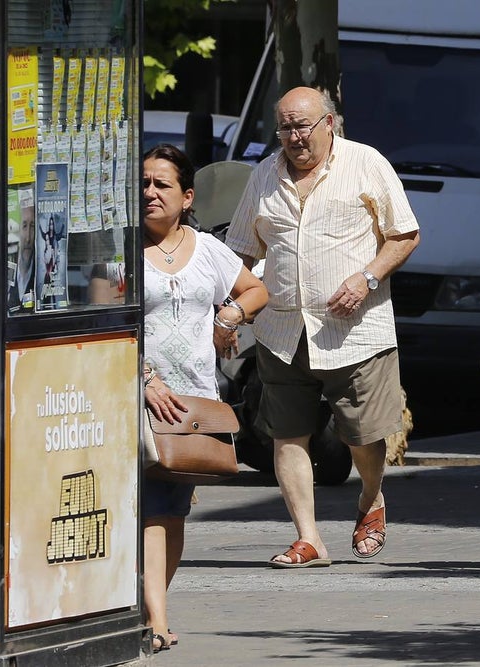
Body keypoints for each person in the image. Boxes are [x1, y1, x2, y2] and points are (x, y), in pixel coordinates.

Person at [225, 86, 421, 568]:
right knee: (286, 434)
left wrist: (367, 277)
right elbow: (242, 251)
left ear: (329, 123)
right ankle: (308, 538)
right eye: (285, 127)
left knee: (362, 434)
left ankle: (370, 500)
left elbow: (405, 234)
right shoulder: (263, 176)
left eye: (302, 126)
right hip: (281, 329)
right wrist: (231, 306)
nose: (293, 137)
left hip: (354, 331)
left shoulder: (365, 162)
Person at [140, 144, 268, 652]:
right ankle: (154, 618)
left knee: (171, 511)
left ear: (187, 196)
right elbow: (109, 323)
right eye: (144, 183)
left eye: (162, 184)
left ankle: (150, 605)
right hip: (141, 397)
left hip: (191, 405)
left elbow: (254, 290)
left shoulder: (208, 249)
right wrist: (144, 380)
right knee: (152, 508)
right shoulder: (121, 250)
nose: (150, 193)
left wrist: (228, 317)